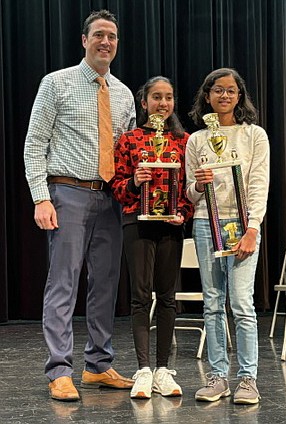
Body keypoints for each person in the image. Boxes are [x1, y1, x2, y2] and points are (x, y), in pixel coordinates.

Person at [24, 10, 136, 401]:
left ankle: (98, 366)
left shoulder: (122, 93)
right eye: (100, 35)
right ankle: (59, 370)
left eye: (113, 37)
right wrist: (41, 196)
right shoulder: (56, 83)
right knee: (63, 283)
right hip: (67, 193)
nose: (107, 42)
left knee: (104, 285)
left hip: (111, 199)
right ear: (84, 40)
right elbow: (35, 142)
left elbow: (128, 152)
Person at [185, 68, 269, 404]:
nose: (224, 96)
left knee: (241, 302)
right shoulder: (196, 140)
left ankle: (248, 379)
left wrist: (253, 228)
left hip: (243, 224)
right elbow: (191, 194)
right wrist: (198, 186)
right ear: (207, 95)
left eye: (231, 90)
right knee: (212, 303)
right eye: (217, 90)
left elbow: (259, 184)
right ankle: (218, 376)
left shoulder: (254, 135)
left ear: (239, 95)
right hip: (206, 223)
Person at [111, 76, 193, 399]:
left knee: (168, 297)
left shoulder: (184, 141)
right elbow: (116, 187)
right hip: (137, 222)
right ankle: (143, 369)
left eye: (169, 97)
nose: (163, 103)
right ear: (143, 103)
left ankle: (163, 369)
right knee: (140, 297)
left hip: (171, 225)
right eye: (156, 97)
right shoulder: (129, 140)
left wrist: (183, 212)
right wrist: (134, 181)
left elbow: (187, 187)